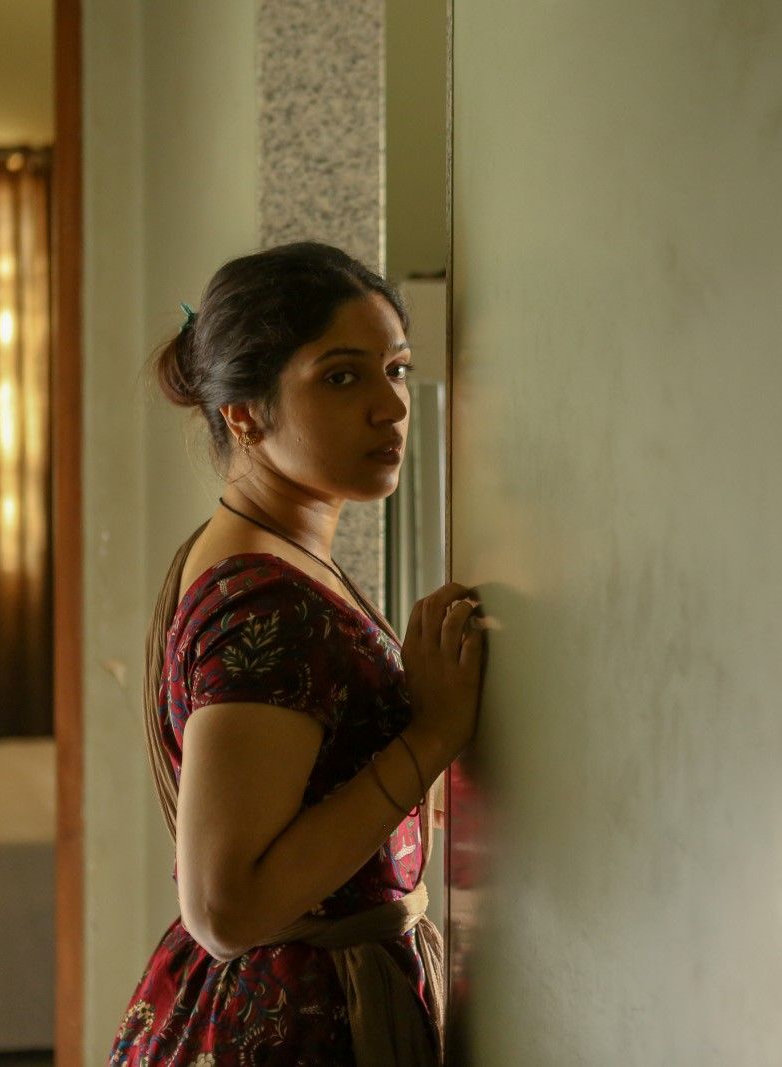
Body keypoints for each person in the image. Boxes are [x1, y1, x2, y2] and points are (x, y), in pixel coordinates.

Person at [109, 241, 485, 1065]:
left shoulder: (266, 555)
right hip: (285, 1026)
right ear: (244, 412)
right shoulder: (263, 597)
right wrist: (431, 734)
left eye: (397, 369)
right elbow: (225, 908)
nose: (391, 406)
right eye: (342, 377)